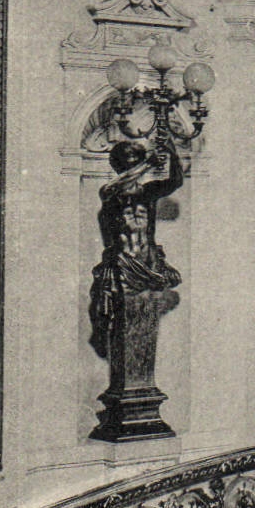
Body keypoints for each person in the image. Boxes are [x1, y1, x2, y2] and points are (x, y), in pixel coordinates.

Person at [89, 134, 183, 359]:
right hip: (122, 263)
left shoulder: (147, 192)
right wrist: (148, 163)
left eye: (135, 155)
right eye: (128, 156)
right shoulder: (110, 191)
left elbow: (176, 181)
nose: (132, 159)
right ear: (118, 163)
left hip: (148, 261)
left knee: (145, 318)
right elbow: (119, 185)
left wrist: (170, 149)